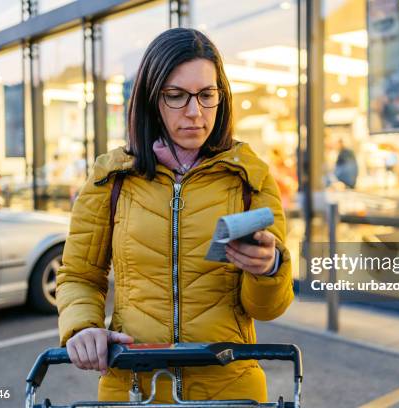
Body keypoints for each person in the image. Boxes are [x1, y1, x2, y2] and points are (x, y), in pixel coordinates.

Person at [56, 28, 294, 403]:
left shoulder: (250, 177)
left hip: (230, 388)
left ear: (221, 96)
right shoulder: (111, 178)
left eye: (206, 95)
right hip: (134, 388)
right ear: (153, 100)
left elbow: (267, 308)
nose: (195, 112)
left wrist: (269, 267)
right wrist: (82, 327)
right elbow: (78, 275)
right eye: (176, 96)